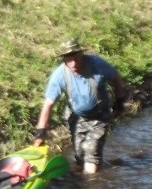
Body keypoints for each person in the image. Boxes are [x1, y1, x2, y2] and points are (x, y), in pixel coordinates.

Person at [33, 38, 126, 174]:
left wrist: (119, 102)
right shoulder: (59, 75)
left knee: (91, 151)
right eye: (69, 59)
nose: (73, 63)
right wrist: (40, 134)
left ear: (81, 54)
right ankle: (83, 173)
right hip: (76, 117)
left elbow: (116, 77)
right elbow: (48, 104)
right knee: (80, 154)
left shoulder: (97, 65)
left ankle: (91, 188)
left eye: (76, 57)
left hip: (99, 117)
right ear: (63, 60)